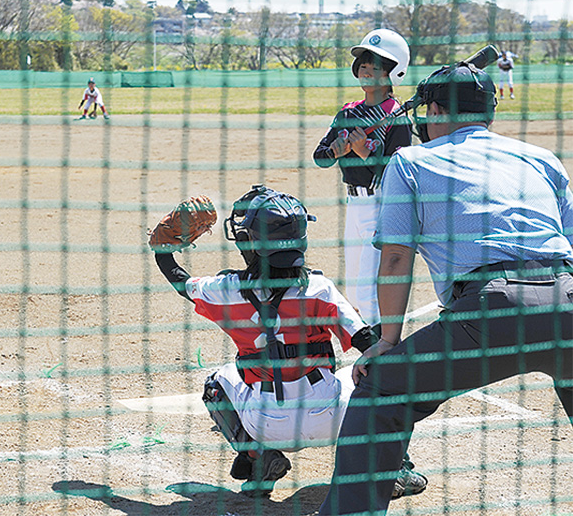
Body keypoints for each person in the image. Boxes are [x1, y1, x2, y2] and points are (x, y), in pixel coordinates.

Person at [317, 58, 573, 516]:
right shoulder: (541, 157)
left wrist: (388, 342)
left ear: (434, 111)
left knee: (381, 391)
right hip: (569, 302)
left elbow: (396, 257)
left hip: (491, 311)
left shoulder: (411, 159)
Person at [152, 185, 426, 496]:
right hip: (331, 418)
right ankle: (391, 469)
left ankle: (259, 457)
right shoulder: (319, 289)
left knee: (216, 384)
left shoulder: (225, 291)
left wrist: (163, 251)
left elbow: (181, 283)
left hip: (266, 424)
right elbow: (370, 343)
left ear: (252, 241)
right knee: (382, 373)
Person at [313, 29, 412, 325]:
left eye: (376, 67)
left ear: (394, 73)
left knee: (368, 291)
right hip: (354, 205)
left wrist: (365, 152)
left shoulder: (398, 117)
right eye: (364, 66)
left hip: (381, 204)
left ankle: (382, 355)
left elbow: (400, 172)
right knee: (355, 291)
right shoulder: (348, 112)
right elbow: (320, 157)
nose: (367, 72)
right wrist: (337, 150)